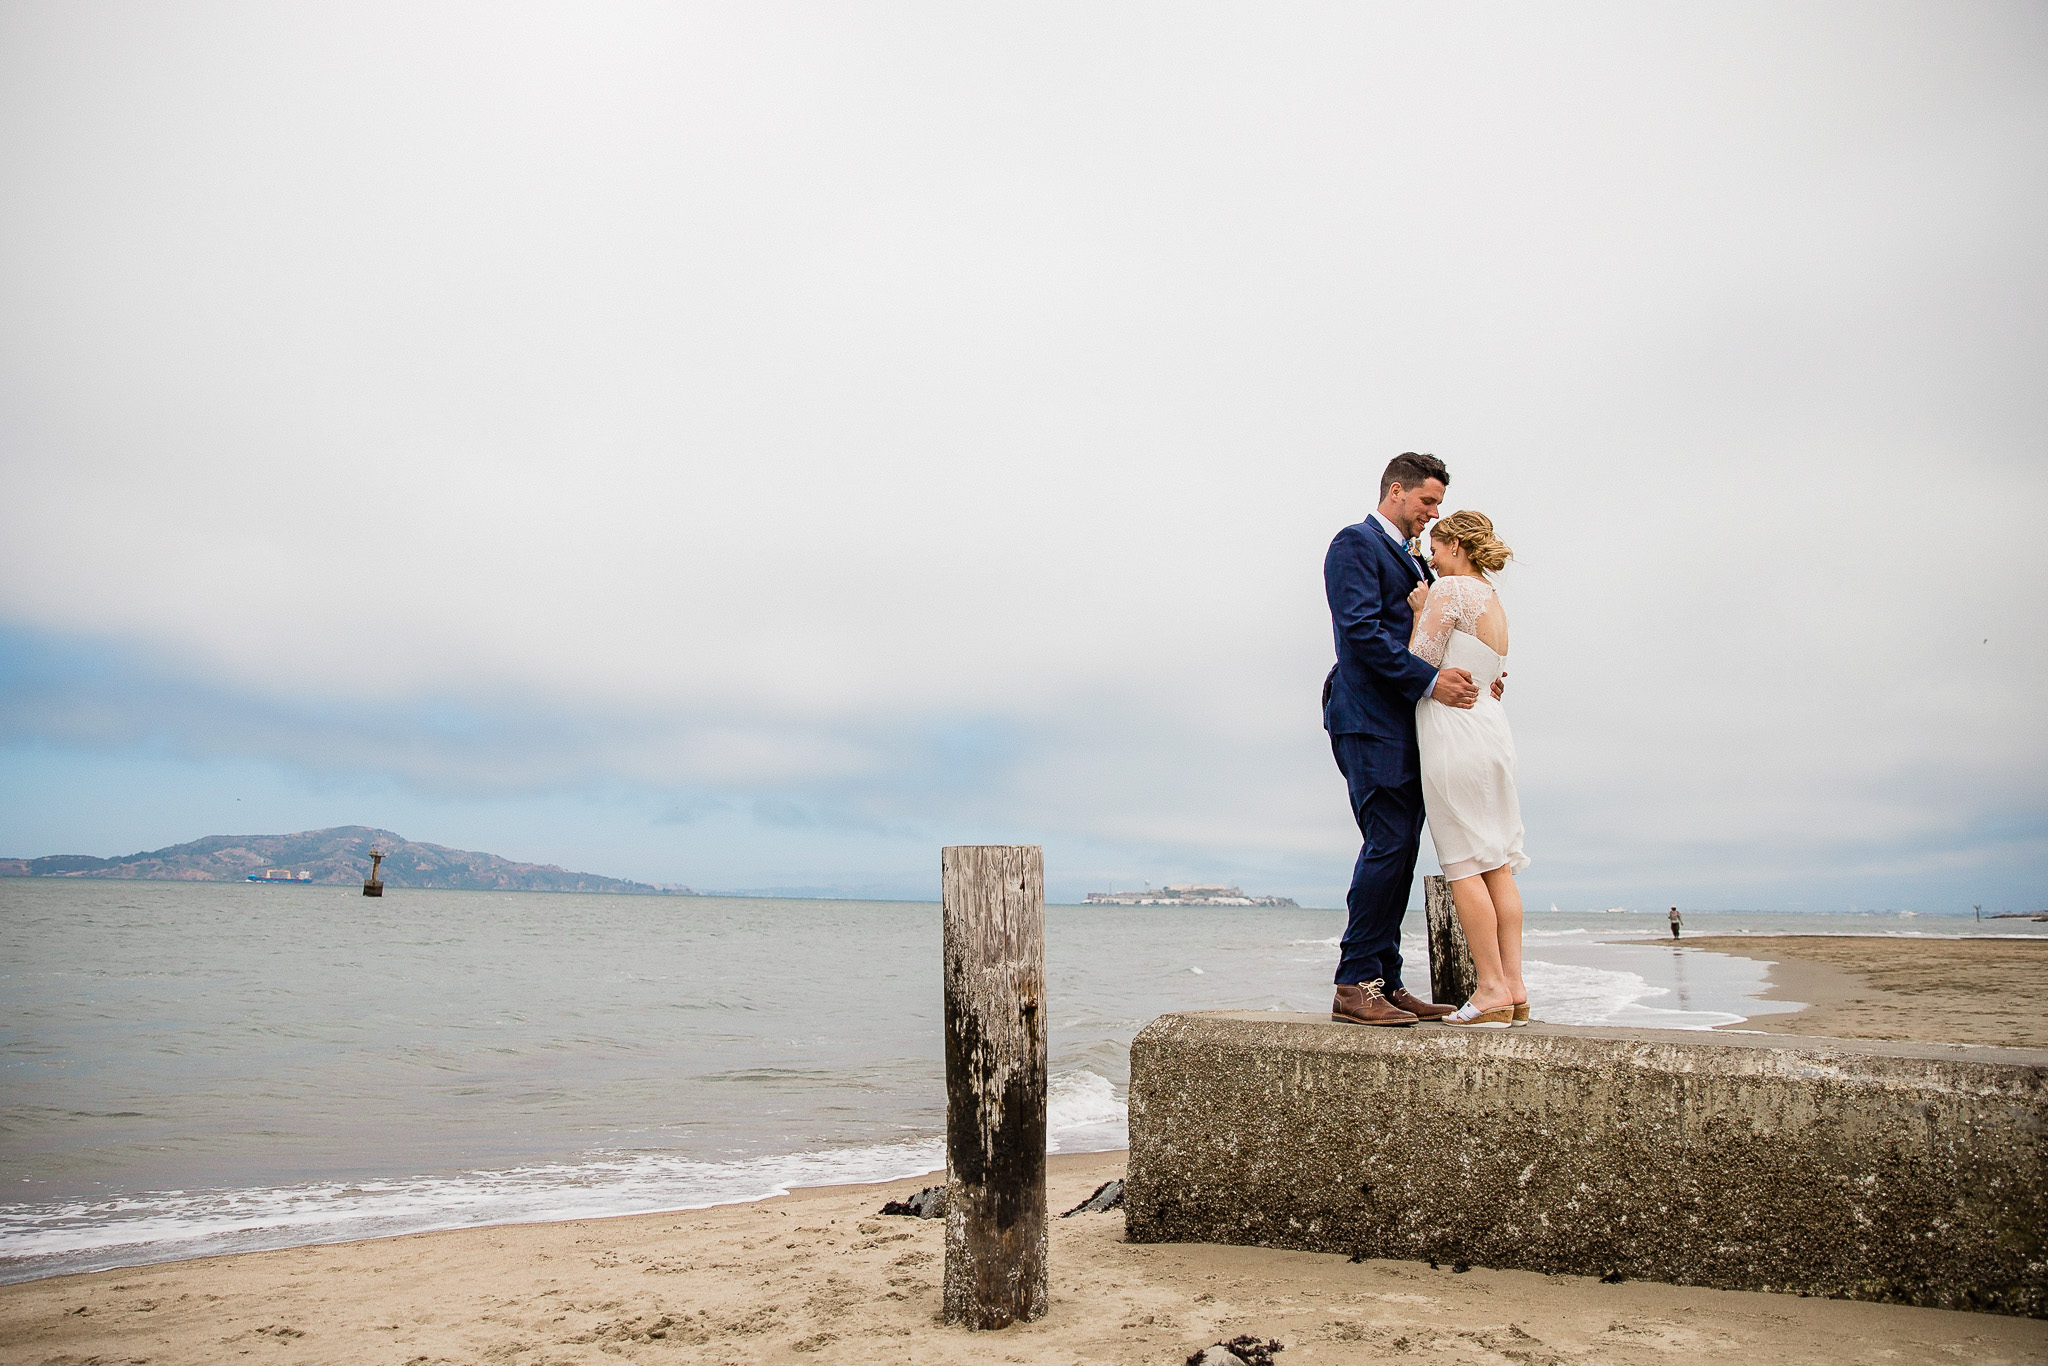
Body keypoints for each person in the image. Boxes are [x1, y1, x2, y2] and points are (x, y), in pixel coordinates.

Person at [1321, 453, 1500, 1027]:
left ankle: (1386, 980)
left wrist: (1478, 668)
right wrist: (1428, 680)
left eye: (1439, 504)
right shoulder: (1353, 545)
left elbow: (1433, 634)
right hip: (1368, 716)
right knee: (1389, 840)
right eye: (1427, 501)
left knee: (1400, 848)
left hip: (1409, 722)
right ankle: (1353, 983)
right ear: (1395, 492)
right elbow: (1361, 632)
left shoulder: (1420, 564)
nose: (1433, 513)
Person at [1407, 510, 1528, 1028]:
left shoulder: (1451, 591)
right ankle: (1516, 988)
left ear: (1455, 545)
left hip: (1453, 733)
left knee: (1463, 864)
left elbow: (1419, 658)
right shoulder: (1494, 601)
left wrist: (1418, 609)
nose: (1430, 560)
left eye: (1435, 549)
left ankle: (1491, 987)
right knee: (1496, 861)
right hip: (1491, 731)